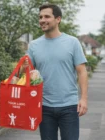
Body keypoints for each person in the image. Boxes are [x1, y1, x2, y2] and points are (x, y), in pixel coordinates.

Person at [24, 3, 88, 140]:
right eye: (40, 17)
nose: (42, 20)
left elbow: (82, 71)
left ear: (58, 19)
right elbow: (28, 74)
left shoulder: (72, 42)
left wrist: (83, 98)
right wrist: (25, 67)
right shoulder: (34, 45)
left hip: (69, 107)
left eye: (47, 16)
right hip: (44, 106)